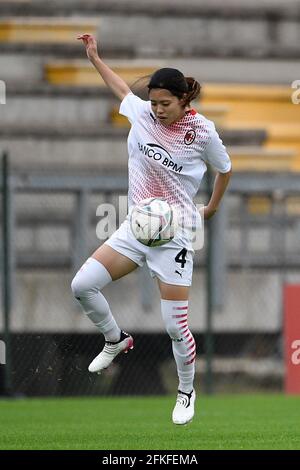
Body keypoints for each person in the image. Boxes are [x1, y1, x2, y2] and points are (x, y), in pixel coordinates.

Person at [72, 34, 232, 425]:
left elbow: (225, 169)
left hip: (175, 234)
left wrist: (211, 207)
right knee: (82, 286)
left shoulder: (203, 132)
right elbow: (120, 88)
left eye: (165, 103)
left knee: (175, 327)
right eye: (154, 102)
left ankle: (185, 391)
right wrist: (94, 57)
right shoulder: (141, 113)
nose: (157, 110)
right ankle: (115, 339)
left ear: (183, 101)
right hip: (136, 227)